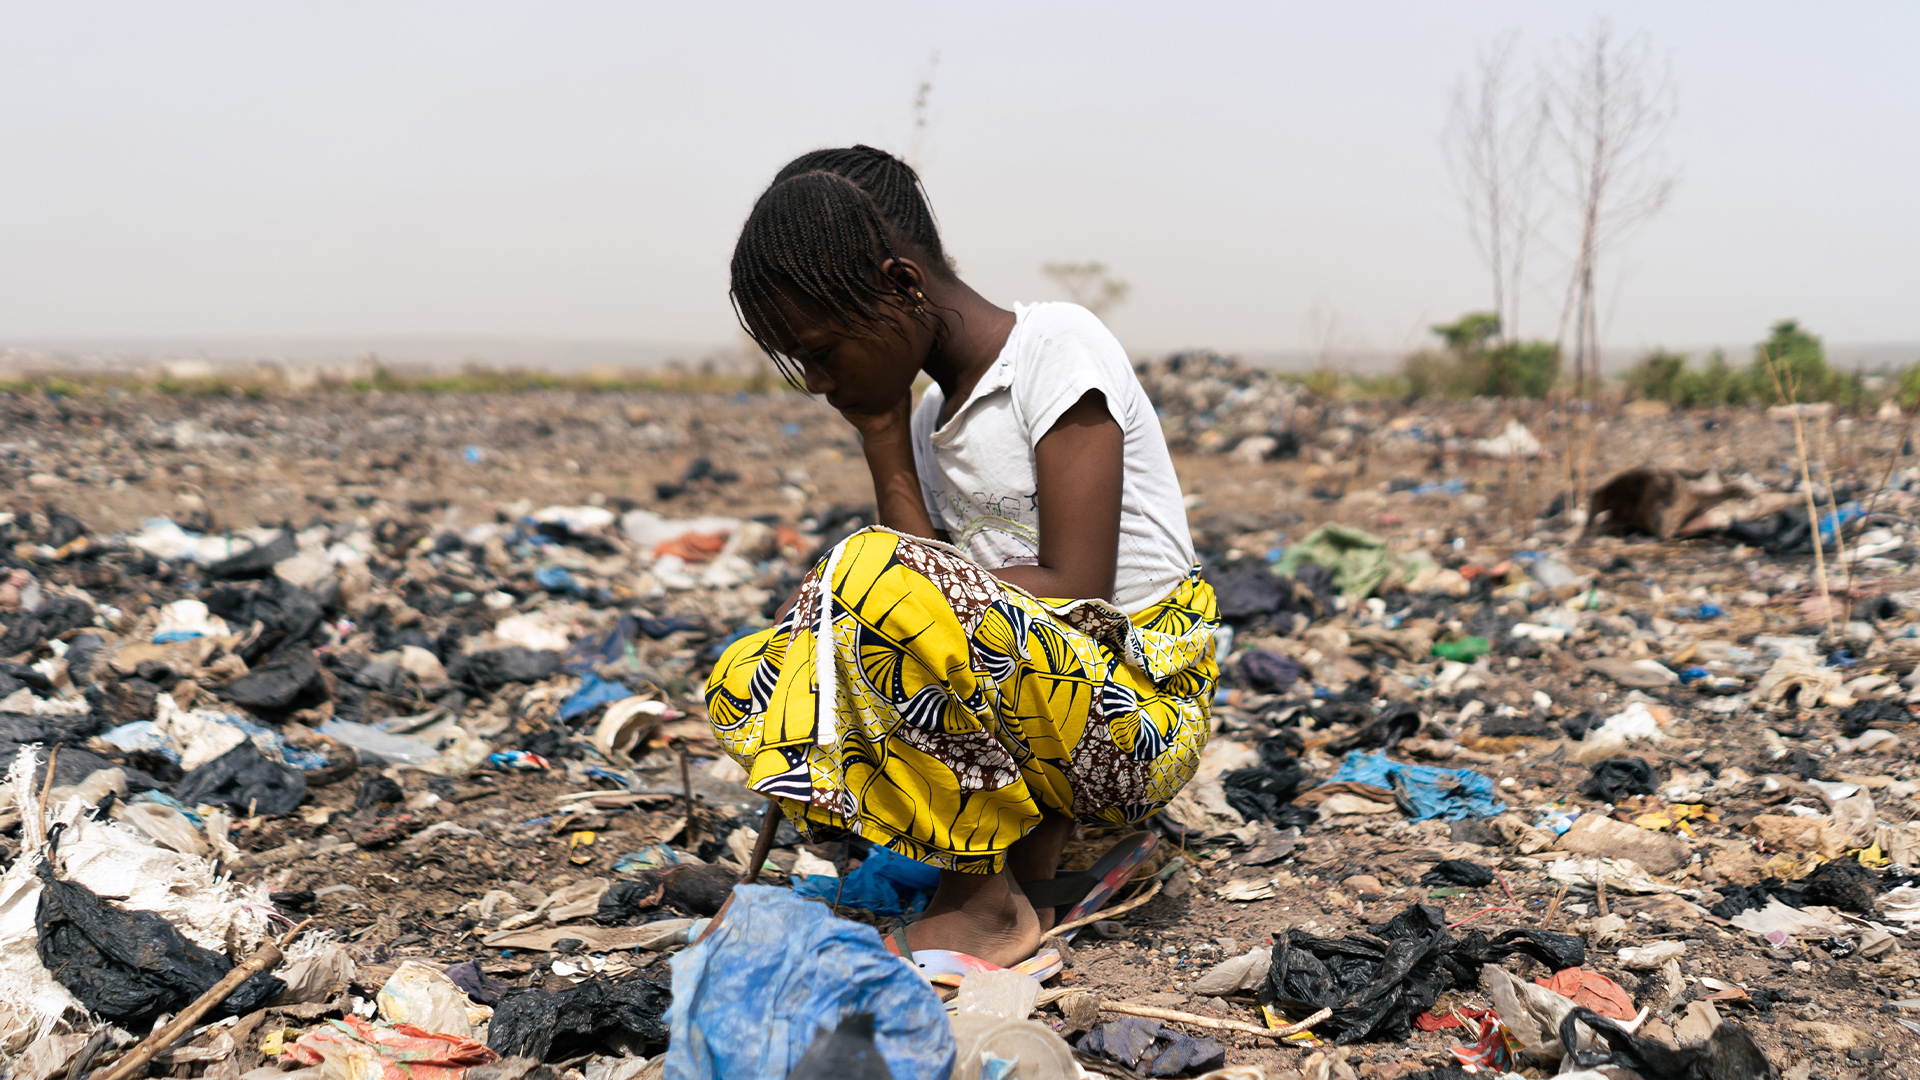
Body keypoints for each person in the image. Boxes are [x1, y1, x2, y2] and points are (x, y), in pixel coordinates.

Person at [705, 145, 1216, 967]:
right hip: (1054, 710)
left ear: (902, 285)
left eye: (823, 350)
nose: (816, 380)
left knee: (870, 582)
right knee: (754, 672)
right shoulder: (922, 419)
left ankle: (979, 908)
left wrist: (878, 590)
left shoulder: (1056, 347)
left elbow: (1076, 588)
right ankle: (1021, 870)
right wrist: (880, 432)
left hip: (1140, 715)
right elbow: (937, 621)